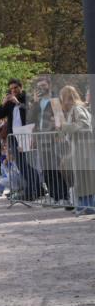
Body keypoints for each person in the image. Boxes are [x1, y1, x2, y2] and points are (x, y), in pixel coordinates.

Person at [55, 85, 94, 215]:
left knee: (84, 179)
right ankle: (84, 205)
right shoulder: (76, 109)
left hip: (83, 149)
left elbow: (84, 125)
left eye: (63, 98)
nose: (62, 102)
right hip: (80, 149)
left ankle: (88, 206)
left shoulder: (77, 108)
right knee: (82, 179)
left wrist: (65, 126)